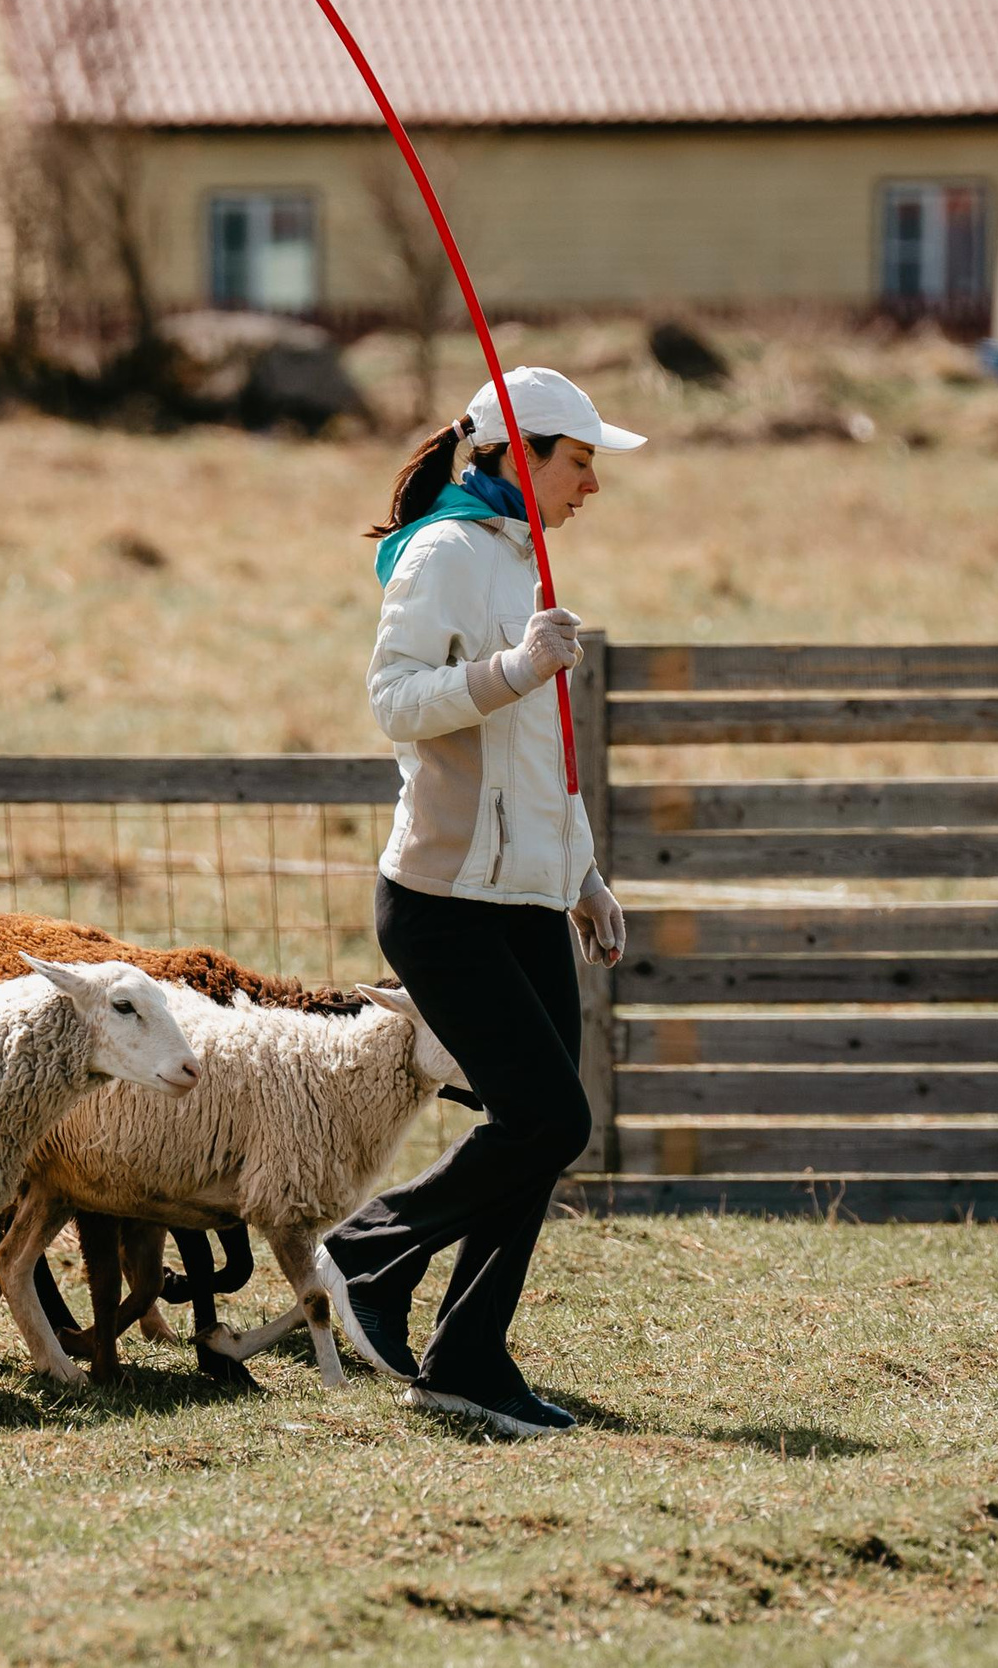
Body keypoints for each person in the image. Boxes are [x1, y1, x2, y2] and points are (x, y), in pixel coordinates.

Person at [314, 365, 641, 1439]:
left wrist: (580, 872)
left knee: (538, 1131)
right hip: (444, 899)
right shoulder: (449, 556)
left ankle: (466, 1360)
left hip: (525, 895)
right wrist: (509, 667)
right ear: (518, 452)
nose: (591, 484)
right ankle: (366, 1251)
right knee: (551, 1116)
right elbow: (393, 702)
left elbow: (542, 758)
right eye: (580, 459)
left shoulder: (524, 556)